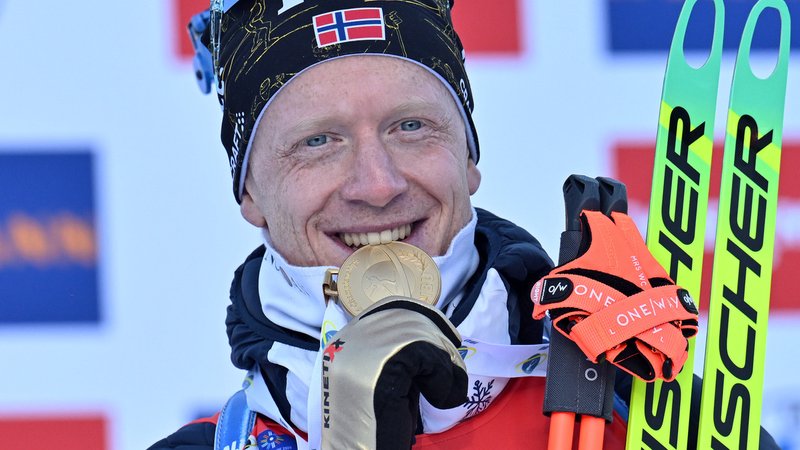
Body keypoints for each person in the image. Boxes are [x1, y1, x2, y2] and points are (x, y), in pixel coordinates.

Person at [150, 1, 778, 449]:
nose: (378, 184)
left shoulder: (628, 412)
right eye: (319, 141)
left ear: (469, 158)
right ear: (251, 193)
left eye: (411, 126)